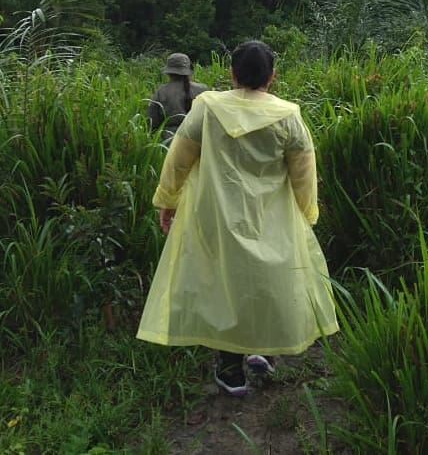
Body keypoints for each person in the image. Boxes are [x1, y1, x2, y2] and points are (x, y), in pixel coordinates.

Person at [136, 40, 338, 396]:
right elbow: (303, 173)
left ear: (231, 73)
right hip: (270, 216)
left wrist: (167, 200)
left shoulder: (207, 109)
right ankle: (263, 352)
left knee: (223, 286)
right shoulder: (288, 116)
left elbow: (179, 158)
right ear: (272, 77)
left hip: (216, 213)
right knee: (267, 282)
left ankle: (230, 370)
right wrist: (308, 212)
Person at [147, 53, 208, 143]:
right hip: (198, 139)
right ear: (187, 71)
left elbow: (152, 122)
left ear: (169, 72)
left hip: (169, 141)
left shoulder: (161, 92)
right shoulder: (202, 89)